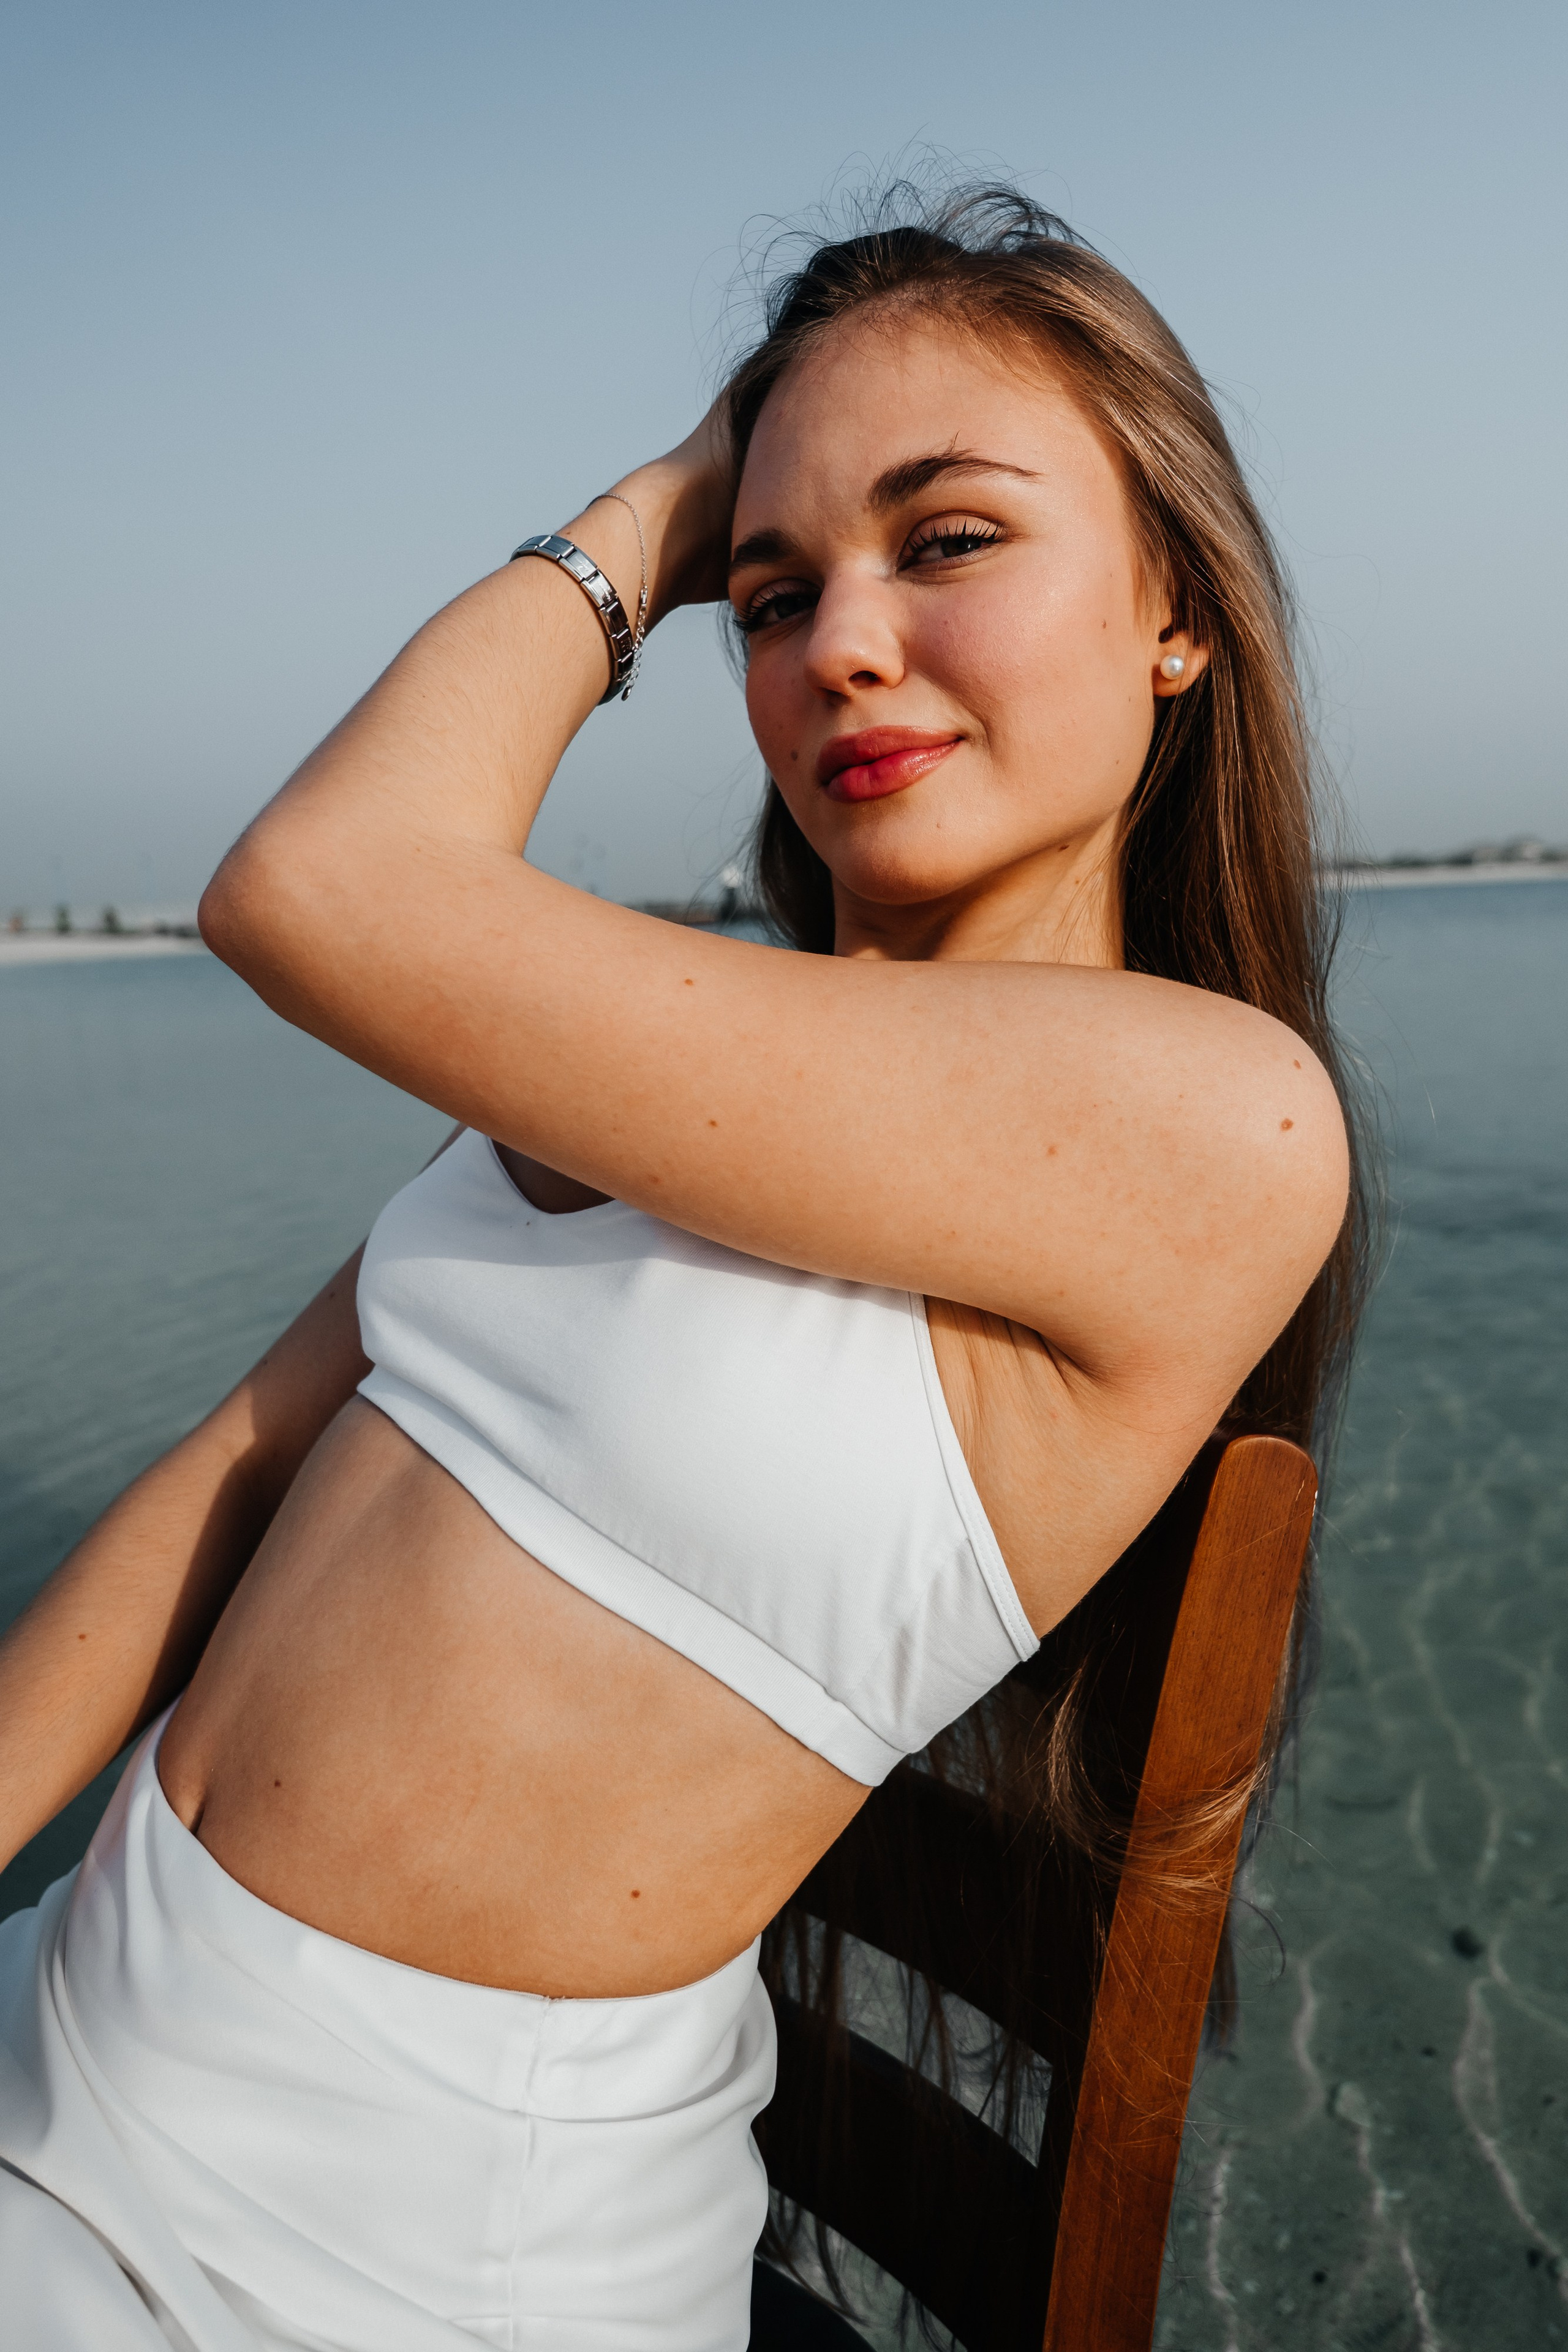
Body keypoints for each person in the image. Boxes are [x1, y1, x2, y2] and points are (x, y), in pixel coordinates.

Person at [0, 186, 1360, 2351]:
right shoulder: (688, 1052)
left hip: (348, 2259)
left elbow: (313, 887)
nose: (837, 646)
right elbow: (240, 1467)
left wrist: (661, 503)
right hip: (73, 2031)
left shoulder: (1218, 1122)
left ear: (1178, 608)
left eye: (948, 539)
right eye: (773, 586)